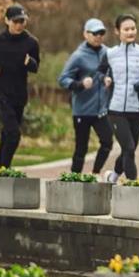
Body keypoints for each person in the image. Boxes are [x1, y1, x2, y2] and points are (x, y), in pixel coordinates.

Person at [0, 4, 41, 169]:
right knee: (14, 134)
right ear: (7, 20)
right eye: (16, 21)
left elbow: (36, 67)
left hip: (19, 94)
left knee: (7, 134)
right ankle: (5, 169)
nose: (19, 25)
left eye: (22, 21)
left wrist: (30, 62)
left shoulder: (31, 42)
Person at [98, 14, 139, 182]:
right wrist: (105, 78)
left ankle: (113, 176)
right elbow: (99, 72)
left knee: (128, 150)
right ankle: (133, 185)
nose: (131, 32)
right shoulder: (110, 54)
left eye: (133, 28)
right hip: (115, 109)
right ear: (118, 31)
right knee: (129, 148)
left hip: (137, 109)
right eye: (126, 29)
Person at [58, 18, 113, 175]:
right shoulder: (78, 56)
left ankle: (95, 173)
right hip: (82, 111)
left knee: (107, 142)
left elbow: (111, 72)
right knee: (81, 148)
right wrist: (80, 84)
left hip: (101, 110)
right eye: (94, 33)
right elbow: (62, 79)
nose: (98, 36)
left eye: (101, 33)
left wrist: (109, 79)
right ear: (85, 34)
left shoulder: (108, 53)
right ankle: (74, 178)